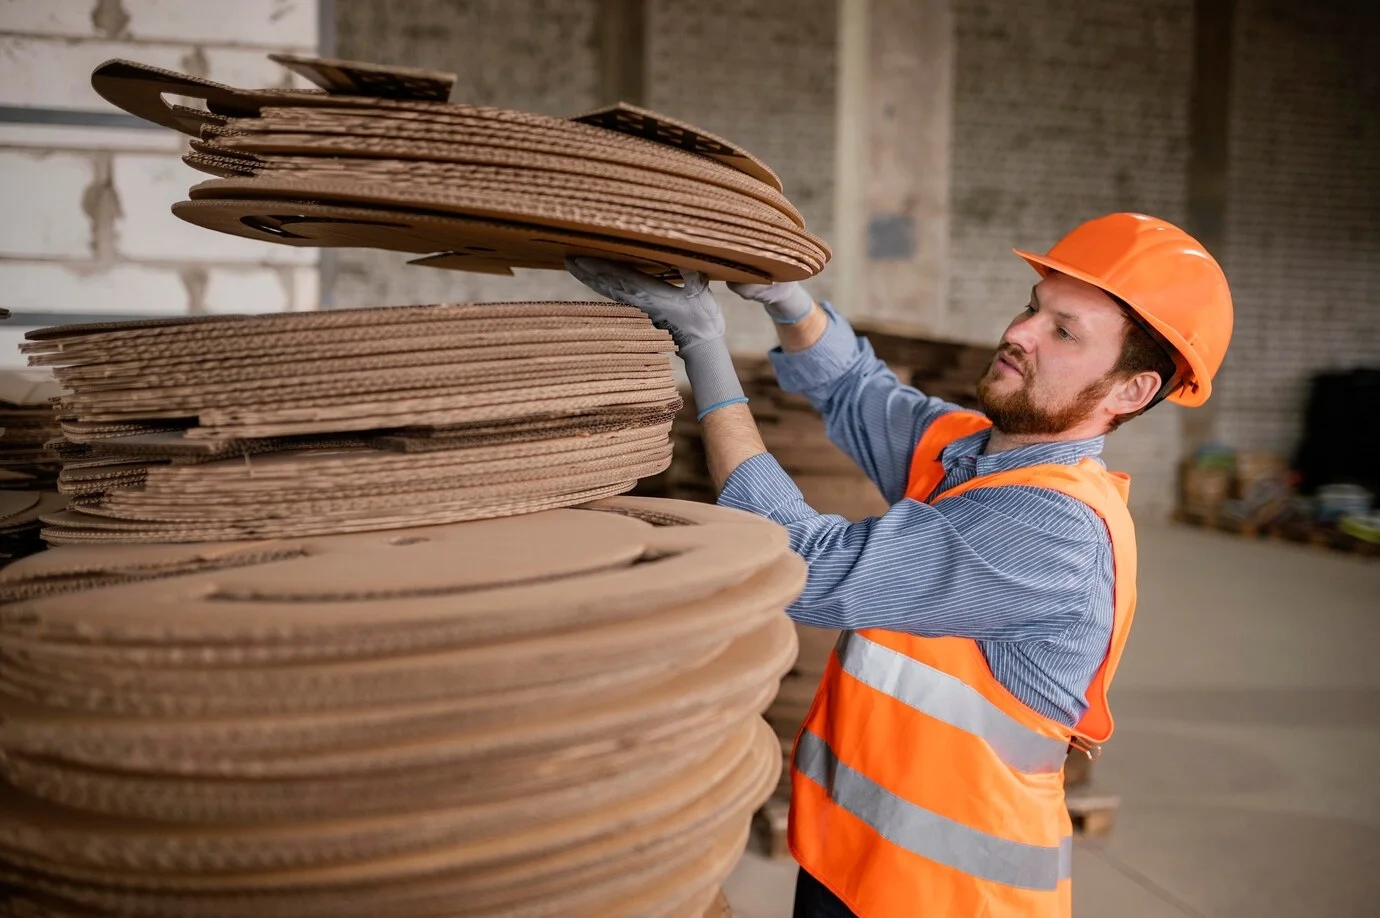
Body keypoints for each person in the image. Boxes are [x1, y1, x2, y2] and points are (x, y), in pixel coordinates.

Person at [567, 212, 1233, 918]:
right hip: (851, 856)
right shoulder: (975, 454)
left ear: (1132, 391)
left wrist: (704, 347)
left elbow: (806, 564)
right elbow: (858, 391)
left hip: (946, 894)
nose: (1019, 332)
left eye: (1063, 331)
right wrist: (787, 298)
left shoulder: (1050, 534)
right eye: (1033, 309)